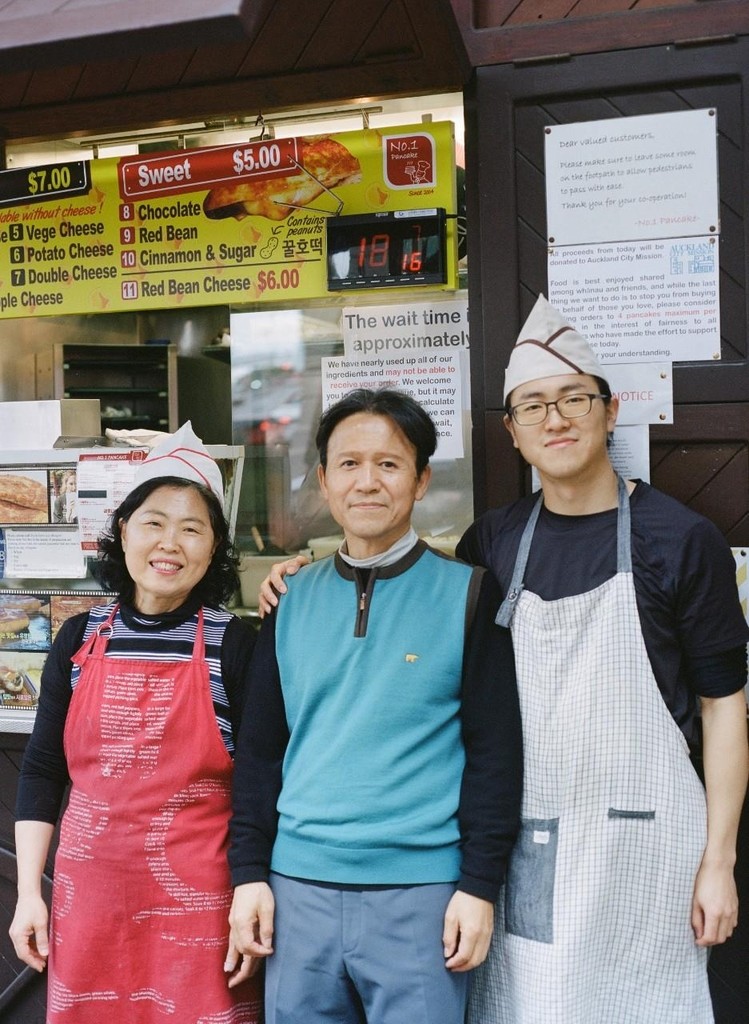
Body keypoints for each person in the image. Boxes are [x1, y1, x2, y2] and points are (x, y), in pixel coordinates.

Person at [259, 298, 749, 1023]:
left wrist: (718, 860)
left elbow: (723, 706)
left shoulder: (679, 540)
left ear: (608, 412)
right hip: (528, 841)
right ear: (512, 434)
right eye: (532, 407)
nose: (555, 419)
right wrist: (299, 574)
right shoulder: (493, 541)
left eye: (572, 399)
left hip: (646, 847)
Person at [228, 388, 523, 1024]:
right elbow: (259, 753)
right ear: (325, 482)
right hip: (296, 891)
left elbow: (496, 755)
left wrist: (478, 886)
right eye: (349, 464)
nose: (368, 482)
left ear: (420, 481)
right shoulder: (287, 601)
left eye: (389, 464)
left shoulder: (469, 594)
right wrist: (248, 873)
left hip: (422, 896)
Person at [9, 422, 263, 1024]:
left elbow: (261, 781)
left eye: (192, 528)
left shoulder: (236, 644)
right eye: (154, 522)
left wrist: (251, 893)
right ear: (123, 531)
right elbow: (43, 770)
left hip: (200, 900)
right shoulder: (79, 636)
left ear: (213, 548)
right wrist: (26, 894)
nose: (169, 543)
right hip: (88, 896)